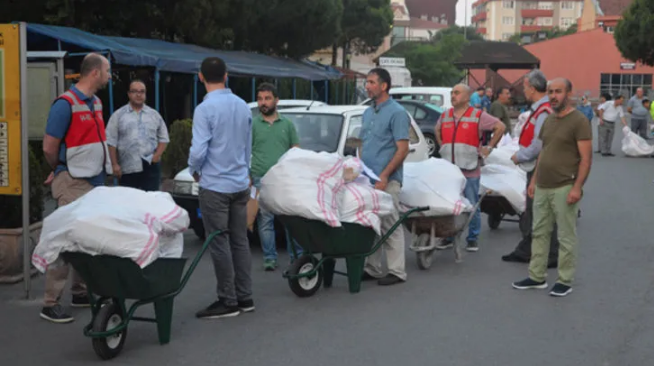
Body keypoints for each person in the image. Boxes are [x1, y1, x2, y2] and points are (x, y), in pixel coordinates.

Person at [40, 53, 112, 323]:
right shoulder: (65, 104)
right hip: (73, 181)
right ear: (95, 73)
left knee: (86, 238)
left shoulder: (96, 102)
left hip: (93, 181)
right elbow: (49, 146)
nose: (108, 75)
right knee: (64, 239)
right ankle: (50, 302)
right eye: (107, 70)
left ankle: (80, 291)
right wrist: (60, 168)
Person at [512, 78, 592, 297]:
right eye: (551, 92)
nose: (554, 95)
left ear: (569, 93)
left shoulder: (579, 121)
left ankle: (565, 280)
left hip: (565, 185)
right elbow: (544, 152)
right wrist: (534, 180)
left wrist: (577, 187)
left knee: (565, 235)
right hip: (543, 186)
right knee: (539, 232)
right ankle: (537, 276)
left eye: (558, 91)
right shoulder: (548, 120)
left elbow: (586, 158)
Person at [189, 57, 254, 318]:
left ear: (200, 77)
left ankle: (227, 301)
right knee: (240, 241)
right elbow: (248, 146)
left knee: (219, 242)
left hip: (215, 185)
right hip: (240, 183)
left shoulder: (204, 109)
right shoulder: (243, 106)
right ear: (226, 75)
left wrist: (195, 169)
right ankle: (245, 297)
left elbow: (199, 149)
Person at [435, 84, 506, 252]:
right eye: (452, 93)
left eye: (457, 93)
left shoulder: (478, 115)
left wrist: (488, 147)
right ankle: (449, 236)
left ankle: (472, 238)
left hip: (470, 168)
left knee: (472, 203)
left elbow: (500, 127)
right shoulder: (445, 115)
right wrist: (442, 146)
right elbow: (436, 129)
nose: (453, 96)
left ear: (467, 97)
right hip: (450, 170)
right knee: (451, 204)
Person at [358, 68, 410, 286]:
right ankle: (372, 268)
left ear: (384, 86)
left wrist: (385, 176)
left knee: (390, 223)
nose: (367, 86)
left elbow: (402, 149)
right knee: (370, 224)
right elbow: (362, 144)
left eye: (371, 82)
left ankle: (397, 271)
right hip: (366, 179)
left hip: (387, 180)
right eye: (367, 82)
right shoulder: (368, 112)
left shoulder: (397, 113)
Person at [502, 70, 559, 267]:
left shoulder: (543, 112)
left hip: (539, 166)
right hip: (538, 165)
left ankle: (547, 254)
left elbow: (538, 144)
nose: (523, 91)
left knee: (538, 211)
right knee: (536, 211)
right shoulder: (541, 109)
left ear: (533, 88)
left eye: (525, 87)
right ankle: (530, 250)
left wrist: (519, 156)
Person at [250, 82, 303, 271]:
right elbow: (245, 151)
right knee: (265, 221)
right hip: (260, 178)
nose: (263, 103)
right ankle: (270, 258)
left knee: (290, 220)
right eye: (260, 99)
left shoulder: (287, 125)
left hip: (283, 180)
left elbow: (295, 150)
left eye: (267, 98)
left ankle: (295, 257)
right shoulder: (253, 124)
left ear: (276, 100)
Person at [106, 80, 169, 191]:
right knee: (130, 204)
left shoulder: (154, 114)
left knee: (150, 202)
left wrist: (157, 155)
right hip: (128, 167)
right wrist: (114, 164)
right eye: (135, 91)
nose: (138, 94)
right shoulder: (118, 115)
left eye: (142, 91)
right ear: (129, 94)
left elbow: (164, 137)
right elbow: (111, 141)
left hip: (151, 166)